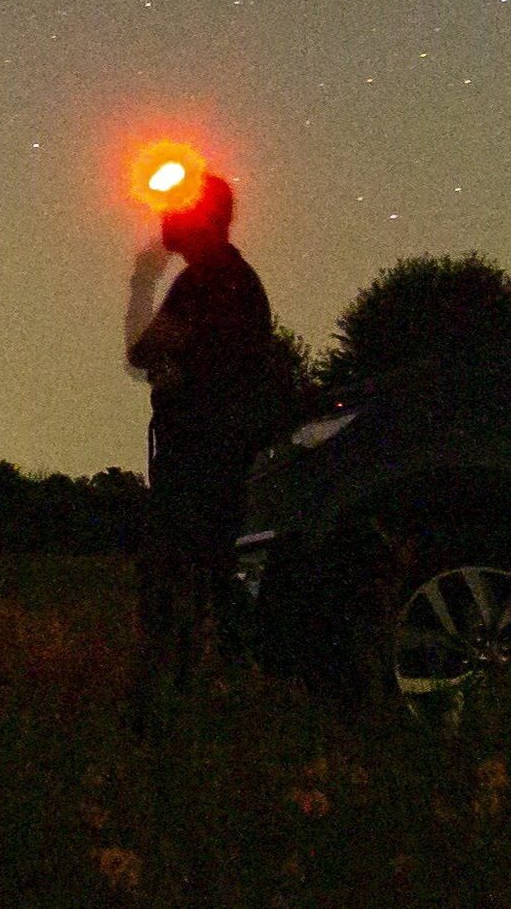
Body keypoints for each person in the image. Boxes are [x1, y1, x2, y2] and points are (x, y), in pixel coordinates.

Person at [124, 164, 295, 707]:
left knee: (181, 576)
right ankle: (233, 685)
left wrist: (142, 282)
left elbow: (141, 350)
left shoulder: (206, 278)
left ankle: (185, 699)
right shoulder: (234, 277)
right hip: (225, 451)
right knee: (215, 575)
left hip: (202, 456)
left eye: (175, 208)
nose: (163, 218)